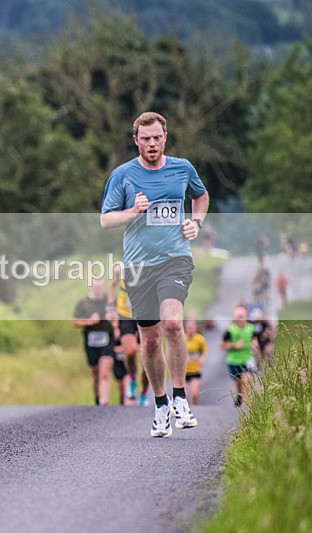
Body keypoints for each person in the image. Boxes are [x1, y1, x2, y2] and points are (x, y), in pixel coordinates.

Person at [100, 111, 209, 437]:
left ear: (165, 137)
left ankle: (179, 397)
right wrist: (132, 212)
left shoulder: (182, 168)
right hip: (137, 267)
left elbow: (201, 196)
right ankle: (160, 404)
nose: (151, 143)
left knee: (173, 323)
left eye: (156, 137)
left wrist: (196, 222)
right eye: (144, 138)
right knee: (149, 340)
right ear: (136, 141)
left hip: (174, 259)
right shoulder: (123, 175)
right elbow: (105, 220)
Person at [109, 264, 151, 406]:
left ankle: (144, 393)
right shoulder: (120, 268)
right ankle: (132, 380)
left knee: (148, 362)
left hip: (145, 315)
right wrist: (110, 307)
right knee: (131, 350)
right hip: (125, 315)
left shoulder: (150, 266)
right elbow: (112, 285)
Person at [73, 277, 115, 405]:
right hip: (91, 341)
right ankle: (98, 399)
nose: (98, 288)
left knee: (104, 373)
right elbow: (75, 321)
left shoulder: (109, 302)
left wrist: (112, 318)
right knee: (95, 373)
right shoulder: (83, 303)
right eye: (95, 286)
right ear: (91, 286)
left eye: (100, 286)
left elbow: (117, 317)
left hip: (107, 339)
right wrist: (88, 321)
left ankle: (105, 401)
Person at [222, 305, 256, 407]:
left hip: (247, 359)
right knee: (238, 384)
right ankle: (239, 395)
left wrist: (255, 344)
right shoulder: (230, 330)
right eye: (238, 316)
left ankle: (248, 404)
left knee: (247, 380)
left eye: (242, 316)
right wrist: (234, 345)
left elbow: (254, 339)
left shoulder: (251, 328)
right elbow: (222, 344)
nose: (240, 318)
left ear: (246, 316)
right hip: (233, 360)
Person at [184, 319, 207, 406]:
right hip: (183, 371)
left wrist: (202, 359)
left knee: (195, 394)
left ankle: (194, 409)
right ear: (186, 328)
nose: (191, 329)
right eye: (189, 327)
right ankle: (185, 410)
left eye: (193, 327)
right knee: (184, 395)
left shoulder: (200, 339)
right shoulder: (182, 338)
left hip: (195, 370)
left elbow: (205, 352)